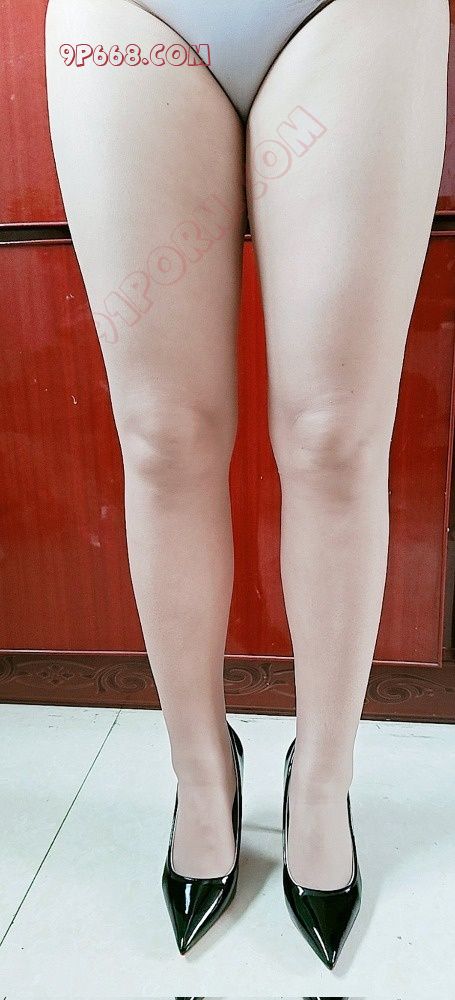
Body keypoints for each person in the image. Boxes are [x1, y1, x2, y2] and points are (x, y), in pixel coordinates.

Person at [44, 0, 450, 967]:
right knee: (163, 435)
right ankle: (200, 774)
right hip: (126, 16)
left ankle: (322, 781)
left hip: (354, 12)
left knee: (332, 436)